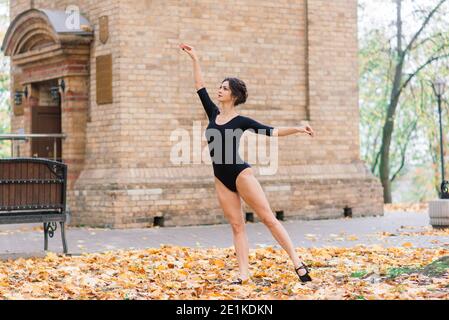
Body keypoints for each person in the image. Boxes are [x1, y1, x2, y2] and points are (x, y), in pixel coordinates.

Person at [180, 43, 315, 285]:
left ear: (234, 95)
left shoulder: (241, 120)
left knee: (268, 219)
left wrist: (297, 128)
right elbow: (199, 87)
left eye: (224, 88)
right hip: (220, 177)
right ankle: (244, 275)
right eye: (219, 87)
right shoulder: (213, 114)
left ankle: (297, 262)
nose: (219, 91)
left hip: (241, 173)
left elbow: (271, 131)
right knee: (236, 225)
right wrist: (195, 59)